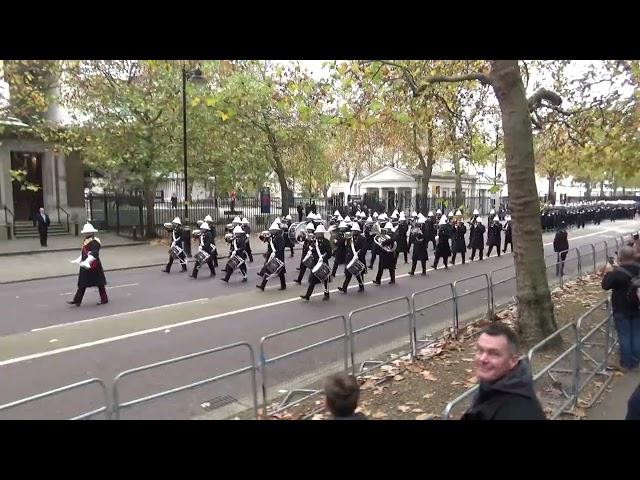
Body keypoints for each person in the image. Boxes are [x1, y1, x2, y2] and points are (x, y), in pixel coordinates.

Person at [461, 323, 546, 420]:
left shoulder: (520, 412)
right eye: (480, 350)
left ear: (513, 361)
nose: (483, 359)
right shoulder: (491, 388)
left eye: (494, 354)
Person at [602, 246, 640, 371]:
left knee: (624, 335)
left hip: (621, 308)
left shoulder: (617, 273)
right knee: (636, 334)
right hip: (637, 307)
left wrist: (608, 271)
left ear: (620, 258)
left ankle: (626, 363)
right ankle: (636, 360)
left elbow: (605, 285)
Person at [67, 223, 108, 306]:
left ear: (91, 232)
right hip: (85, 266)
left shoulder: (95, 241)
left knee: (100, 283)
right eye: (85, 232)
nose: (85, 234)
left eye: (87, 232)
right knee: (82, 283)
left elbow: (94, 253)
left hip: (94, 266)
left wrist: (87, 262)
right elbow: (83, 253)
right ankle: (77, 300)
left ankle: (104, 299)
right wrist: (78, 260)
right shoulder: (86, 241)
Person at [300, 224, 332, 301]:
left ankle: (326, 294)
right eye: (316, 233)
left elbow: (329, 253)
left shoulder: (326, 242)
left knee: (325, 280)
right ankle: (307, 295)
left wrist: (323, 258)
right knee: (312, 280)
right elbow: (310, 250)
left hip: (323, 263)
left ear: (321, 234)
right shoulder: (314, 242)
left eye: (317, 233)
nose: (316, 234)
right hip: (315, 264)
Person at [256, 221, 287, 291]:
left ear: (276, 230)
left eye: (272, 230)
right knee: (269, 270)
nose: (271, 231)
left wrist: (276, 255)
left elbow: (280, 248)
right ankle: (262, 286)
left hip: (279, 257)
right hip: (274, 257)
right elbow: (269, 245)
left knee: (280, 273)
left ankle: (283, 286)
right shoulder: (273, 237)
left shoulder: (280, 238)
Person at [338, 223, 367, 294]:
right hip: (350, 258)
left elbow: (364, 248)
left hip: (358, 258)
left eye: (354, 230)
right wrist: (344, 239)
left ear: (358, 231)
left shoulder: (362, 238)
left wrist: (358, 254)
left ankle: (361, 286)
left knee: (359, 274)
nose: (353, 231)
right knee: (348, 274)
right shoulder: (350, 238)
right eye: (352, 230)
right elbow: (344, 246)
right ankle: (344, 288)